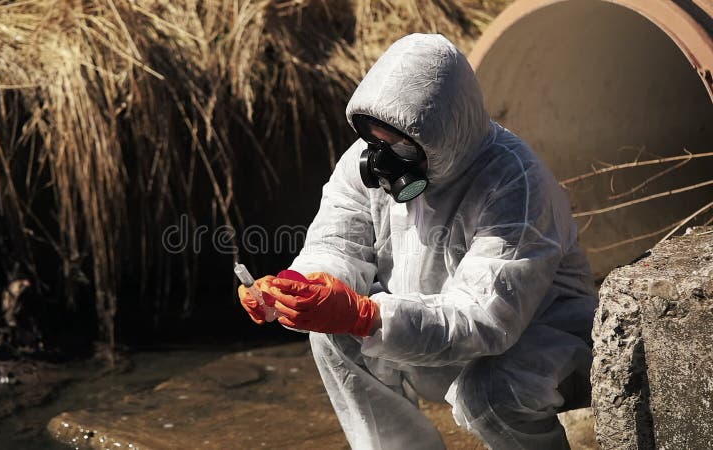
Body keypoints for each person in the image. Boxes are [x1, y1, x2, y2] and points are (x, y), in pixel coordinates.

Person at [238, 33, 597, 450]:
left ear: (443, 132)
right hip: (424, 328)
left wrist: (366, 315)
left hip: (535, 339)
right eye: (377, 141)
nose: (384, 161)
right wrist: (302, 285)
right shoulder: (368, 160)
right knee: (330, 332)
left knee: (492, 395)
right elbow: (336, 243)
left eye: (402, 146)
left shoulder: (515, 182)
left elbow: (484, 319)